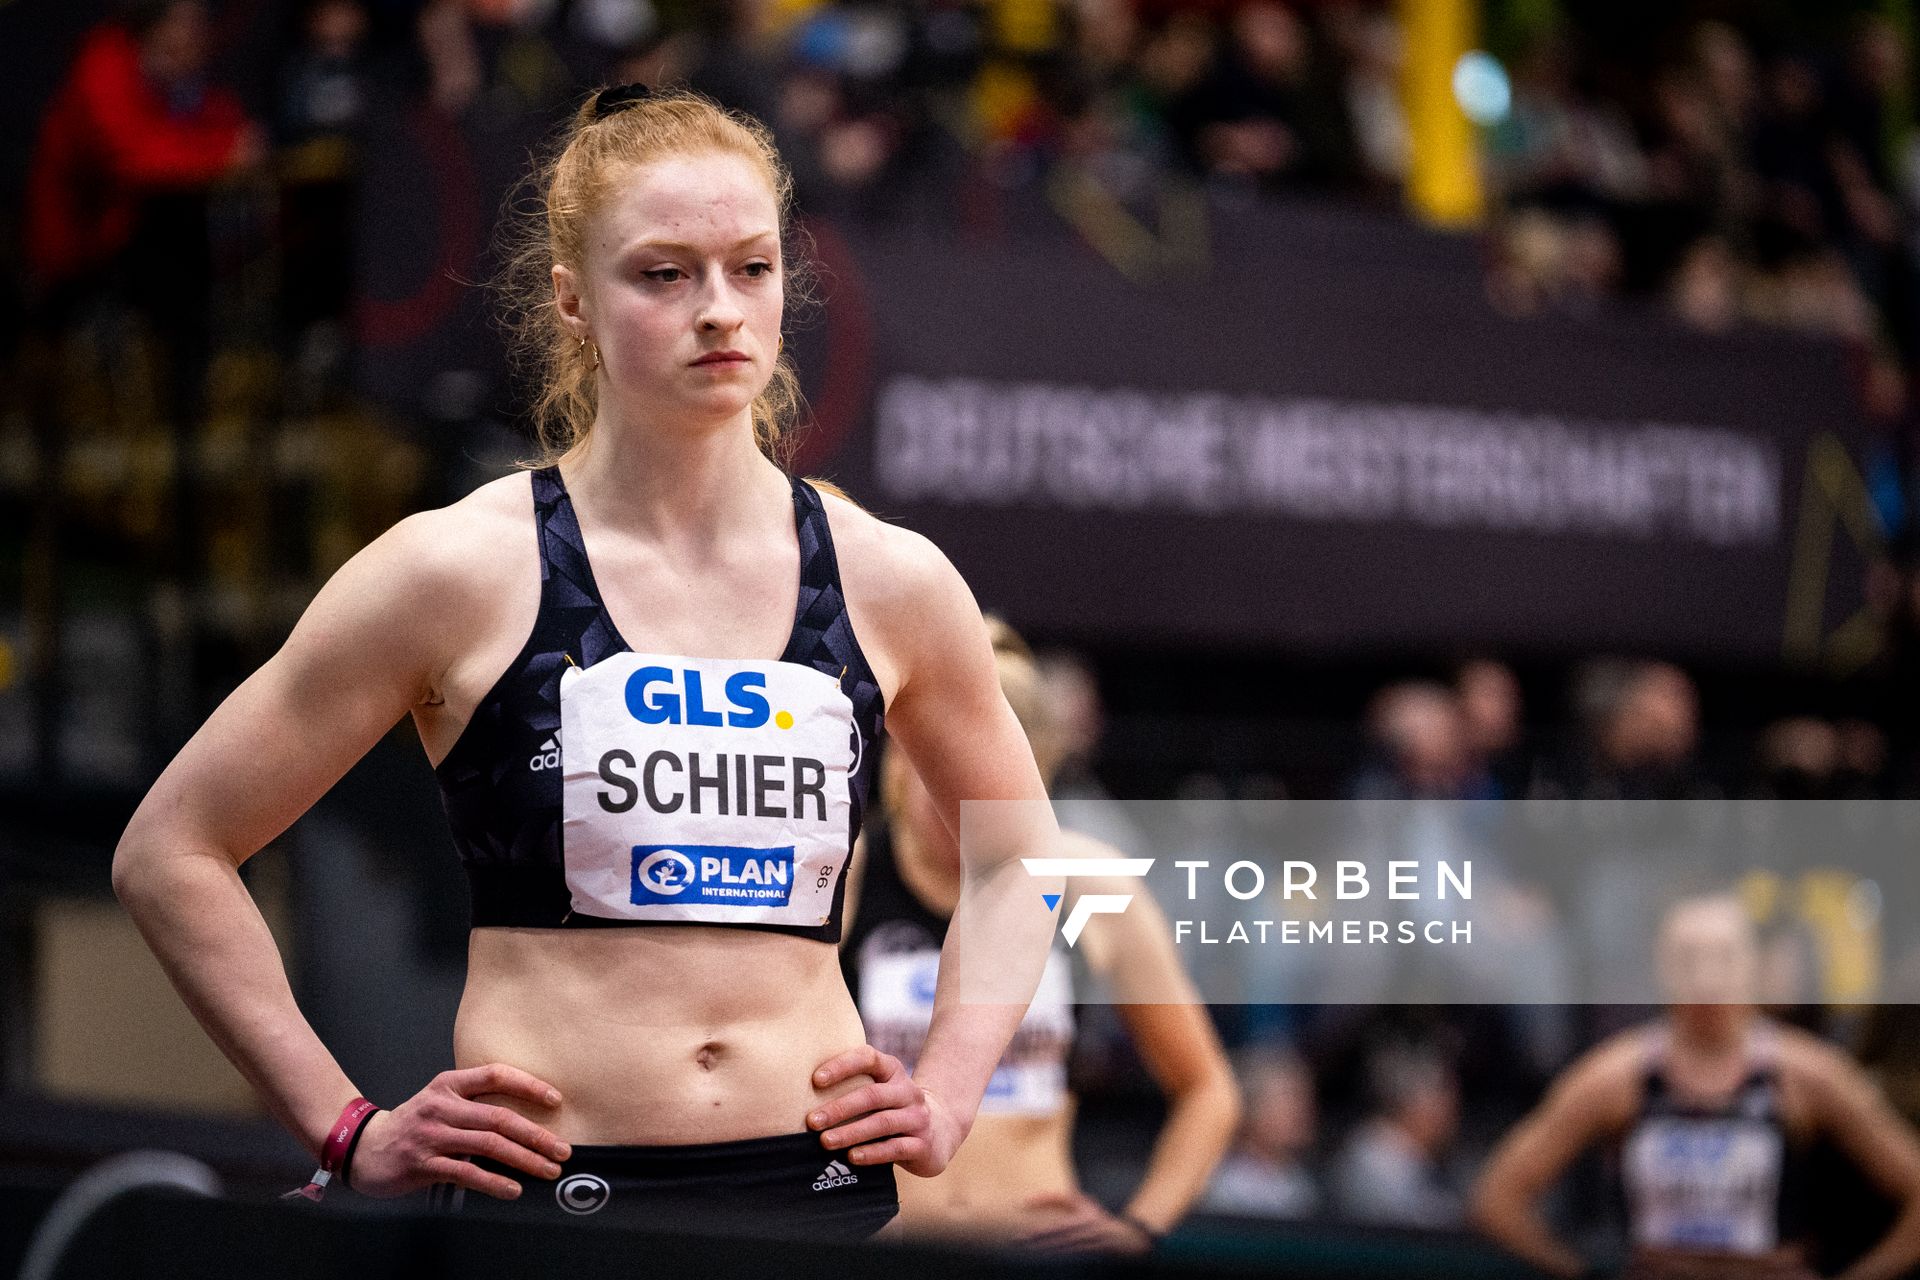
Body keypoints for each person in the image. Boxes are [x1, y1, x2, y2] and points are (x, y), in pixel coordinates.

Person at [111, 84, 1062, 1241]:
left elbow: (1020, 855)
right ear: (573, 300)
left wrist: (950, 1089)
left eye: (751, 268)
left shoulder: (889, 577)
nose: (720, 310)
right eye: (664, 273)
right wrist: (346, 1124)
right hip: (553, 1201)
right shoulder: (455, 569)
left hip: (813, 1193)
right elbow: (172, 850)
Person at [842, 618, 1240, 1252]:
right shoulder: (848, 871)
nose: (960, 815)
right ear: (901, 763)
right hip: (878, 1245)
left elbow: (1208, 1090)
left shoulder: (1091, 887)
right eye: (940, 784)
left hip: (1035, 1250)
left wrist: (1138, 1229)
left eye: (988, 797)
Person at [1471, 894, 1920, 1279]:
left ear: (1753, 966)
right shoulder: (1615, 1076)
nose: (1707, 978)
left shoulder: (1809, 1074)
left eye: (1724, 957)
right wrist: (1581, 1273)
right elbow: (1498, 1197)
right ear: (1660, 967)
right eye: (1688, 958)